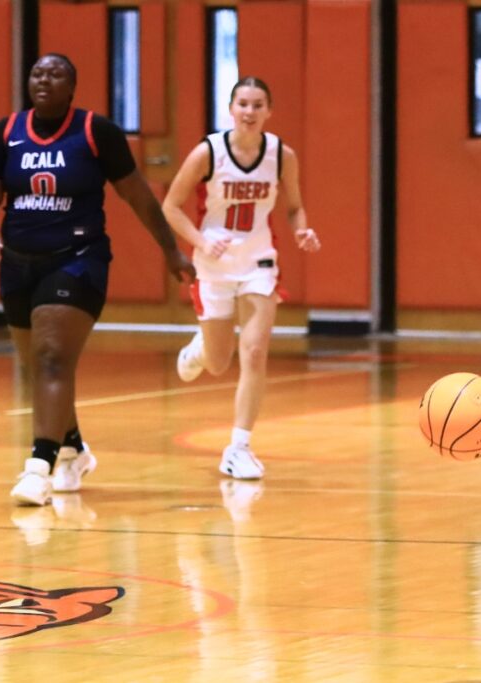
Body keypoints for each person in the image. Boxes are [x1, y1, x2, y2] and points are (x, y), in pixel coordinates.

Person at [0, 53, 194, 507]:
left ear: (72, 86)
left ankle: (39, 466)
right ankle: (73, 448)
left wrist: (170, 249)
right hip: (17, 260)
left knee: (53, 357)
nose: (44, 80)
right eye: (37, 73)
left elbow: (137, 195)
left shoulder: (95, 132)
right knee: (39, 366)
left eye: (55, 74)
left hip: (77, 258)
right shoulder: (7, 131)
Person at [162, 76, 320, 481]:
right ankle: (200, 349)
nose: (249, 112)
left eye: (257, 105)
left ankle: (239, 447)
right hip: (214, 263)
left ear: (269, 111)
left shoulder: (282, 156)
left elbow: (295, 207)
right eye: (243, 104)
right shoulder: (208, 153)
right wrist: (199, 241)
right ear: (230, 109)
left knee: (254, 353)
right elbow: (171, 207)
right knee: (218, 363)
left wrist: (302, 229)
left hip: (258, 262)